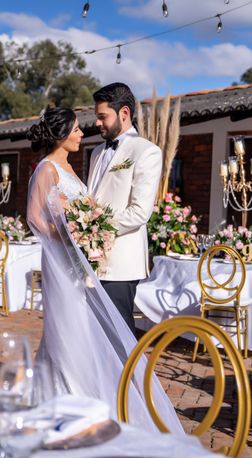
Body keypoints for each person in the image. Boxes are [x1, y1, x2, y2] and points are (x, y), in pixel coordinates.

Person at [26, 106, 182, 433]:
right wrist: (69, 236)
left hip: (82, 263)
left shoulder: (70, 166)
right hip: (63, 263)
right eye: (76, 130)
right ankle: (65, 403)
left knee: (82, 330)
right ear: (61, 134)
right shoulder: (46, 169)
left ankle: (85, 397)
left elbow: (84, 208)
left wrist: (85, 233)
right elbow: (35, 219)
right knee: (66, 330)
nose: (83, 133)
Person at [87, 83, 162, 334]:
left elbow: (140, 212)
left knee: (118, 335)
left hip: (121, 262)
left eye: (102, 117)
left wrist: (92, 226)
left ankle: (128, 375)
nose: (97, 123)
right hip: (92, 259)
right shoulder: (97, 152)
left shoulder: (147, 152)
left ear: (124, 113)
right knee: (97, 333)